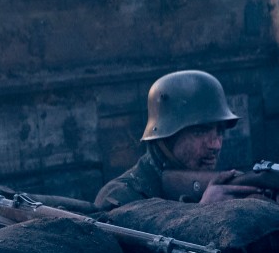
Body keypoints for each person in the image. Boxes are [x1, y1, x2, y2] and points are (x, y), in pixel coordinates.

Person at [94, 70, 253, 210]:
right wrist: (204, 212)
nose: (216, 145)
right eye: (199, 132)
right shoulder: (120, 196)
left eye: (220, 131)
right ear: (166, 139)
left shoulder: (212, 186)